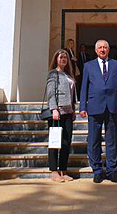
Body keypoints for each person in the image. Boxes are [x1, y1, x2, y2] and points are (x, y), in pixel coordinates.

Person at [80, 39, 117, 183]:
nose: (102, 50)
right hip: (94, 106)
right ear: (95, 50)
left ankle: (112, 170)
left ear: (108, 50)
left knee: (112, 140)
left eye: (105, 48)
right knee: (94, 140)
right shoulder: (88, 66)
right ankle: (97, 170)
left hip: (112, 105)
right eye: (100, 48)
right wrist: (82, 106)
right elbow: (84, 87)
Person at [45, 49, 77, 182]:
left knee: (66, 142)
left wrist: (74, 109)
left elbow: (72, 94)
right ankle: (54, 171)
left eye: (65, 57)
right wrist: (54, 109)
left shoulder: (68, 75)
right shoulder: (53, 74)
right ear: (56, 59)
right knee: (54, 141)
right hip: (57, 112)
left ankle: (63, 170)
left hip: (68, 112)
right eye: (60, 57)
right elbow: (51, 93)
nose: (63, 59)